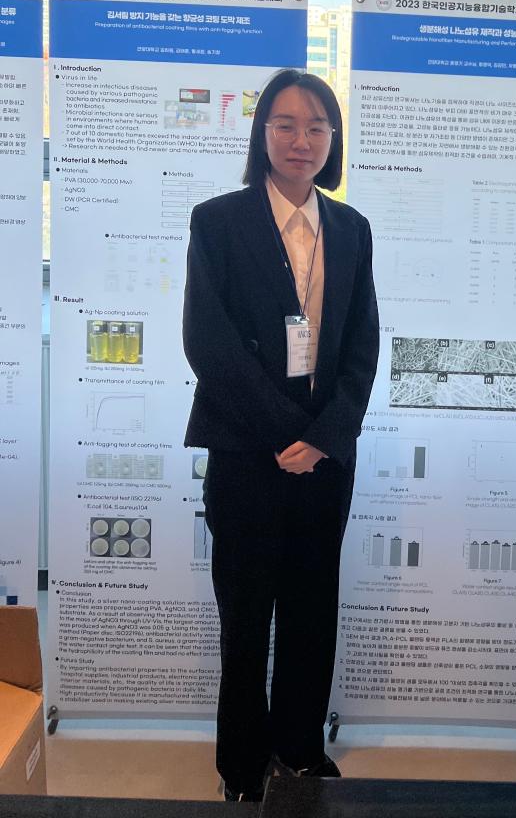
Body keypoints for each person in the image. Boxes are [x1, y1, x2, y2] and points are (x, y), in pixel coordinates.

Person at [183, 68, 379, 801]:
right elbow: (208, 341)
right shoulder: (217, 221)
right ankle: (241, 765)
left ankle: (299, 749)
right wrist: (282, 433)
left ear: (333, 140)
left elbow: (362, 344)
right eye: (287, 125)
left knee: (310, 611)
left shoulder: (351, 229)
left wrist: (325, 436)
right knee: (245, 617)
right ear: (262, 133)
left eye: (317, 127)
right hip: (246, 453)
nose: (302, 140)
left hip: (325, 458)